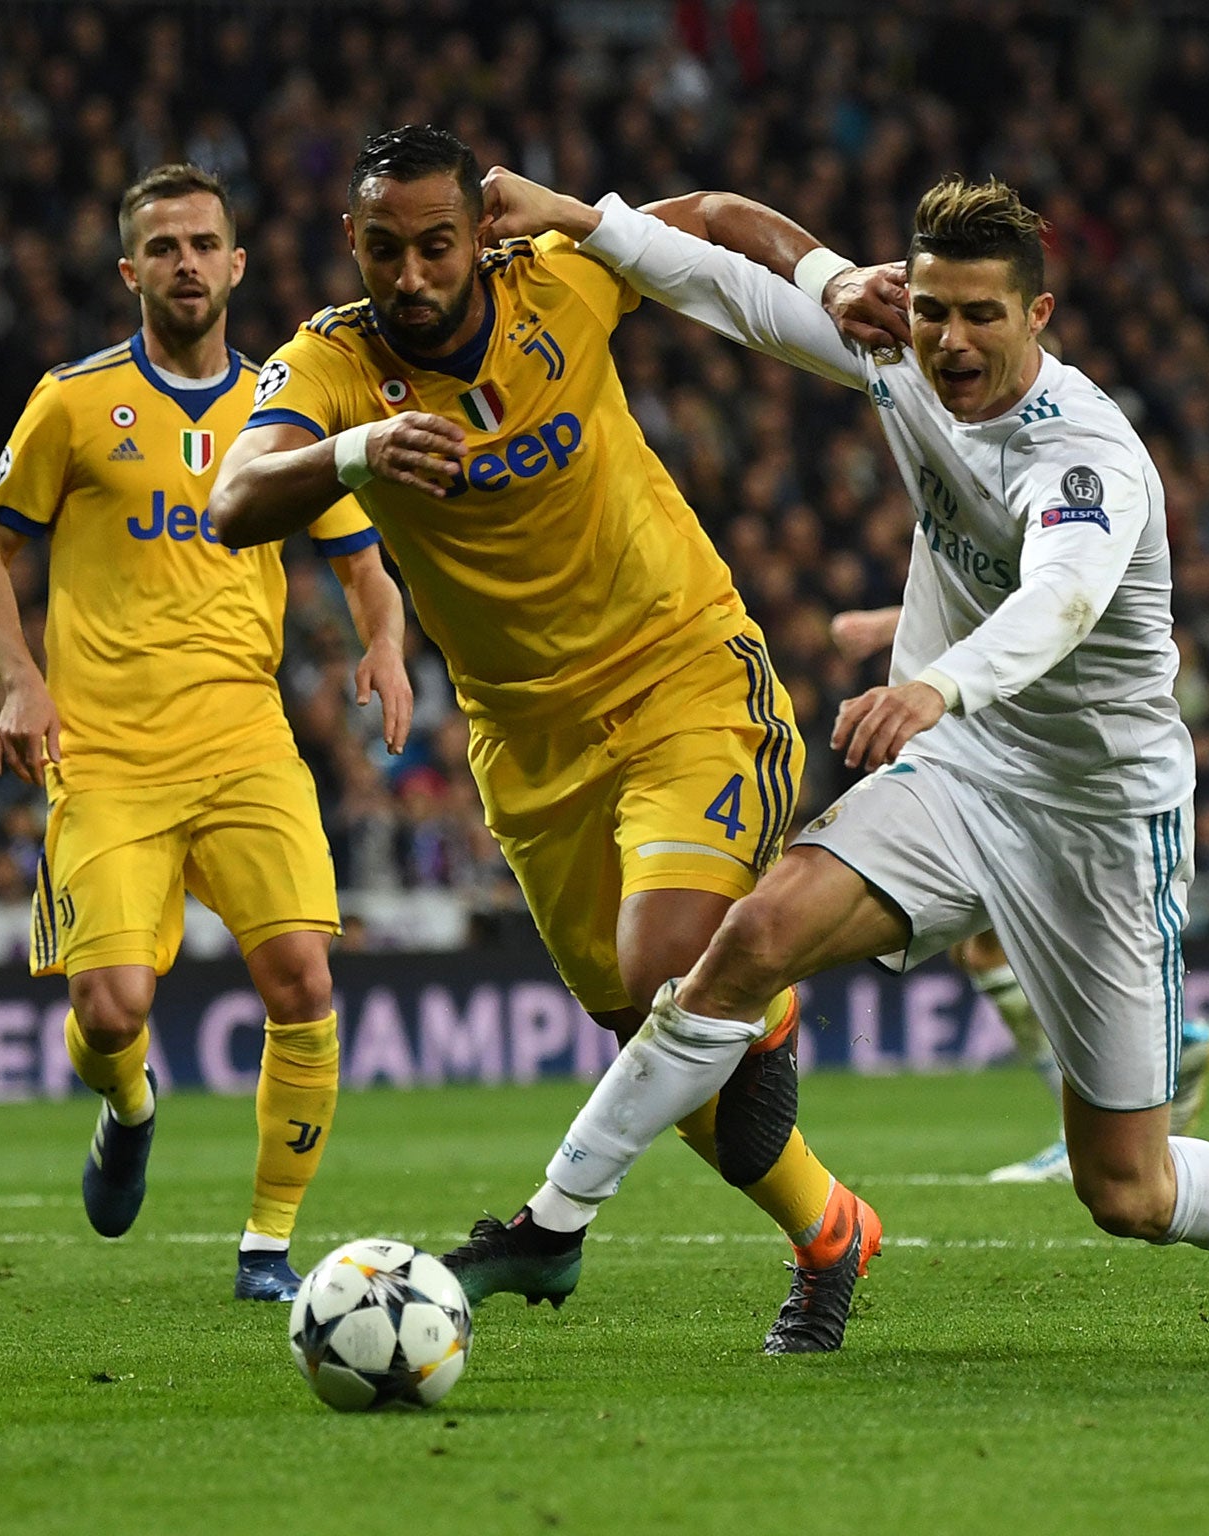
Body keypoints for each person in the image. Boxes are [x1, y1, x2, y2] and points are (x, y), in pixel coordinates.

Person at [468, 166, 1209, 1352]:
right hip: (960, 772)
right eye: (933, 308)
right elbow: (723, 286)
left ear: (1037, 317)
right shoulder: (896, 352)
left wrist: (930, 682)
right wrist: (587, 223)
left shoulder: (1084, 454)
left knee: (1126, 1192)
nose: (946, 340)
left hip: (1098, 821)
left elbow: (1057, 601)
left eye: (980, 315)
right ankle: (552, 1224)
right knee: (747, 942)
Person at [210, 125, 879, 1353]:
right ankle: (830, 1231)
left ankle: (754, 1003)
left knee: (671, 966)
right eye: (381, 249)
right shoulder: (331, 362)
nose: (408, 275)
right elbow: (233, 499)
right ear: (349, 245)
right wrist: (354, 451)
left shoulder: (557, 273)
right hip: (526, 746)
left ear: (478, 233)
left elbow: (721, 214)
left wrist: (832, 277)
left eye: (433, 245)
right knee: (659, 1044)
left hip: (684, 674)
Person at [0, 163, 412, 1303]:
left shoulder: (284, 409)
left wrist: (385, 647)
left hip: (245, 745)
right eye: (163, 248)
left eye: (204, 244)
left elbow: (364, 564)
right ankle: (129, 1105)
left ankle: (268, 1242)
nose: (186, 264)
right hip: (104, 755)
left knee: (302, 979)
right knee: (109, 1008)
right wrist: (20, 677)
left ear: (237, 263)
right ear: (131, 271)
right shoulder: (71, 401)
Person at [830, 605, 1209, 1183]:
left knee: (1029, 952)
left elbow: (1038, 600)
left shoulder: (1072, 526)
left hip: (1050, 761)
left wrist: (889, 625)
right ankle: (1135, 1086)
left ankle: (1118, 1107)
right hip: (1033, 753)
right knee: (990, 949)